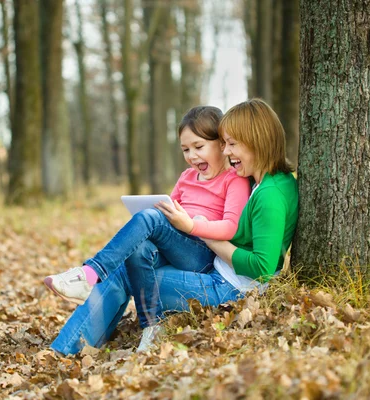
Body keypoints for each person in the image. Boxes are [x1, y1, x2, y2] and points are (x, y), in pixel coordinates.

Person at [50, 99, 298, 355]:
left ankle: (82, 317)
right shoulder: (261, 181)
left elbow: (263, 268)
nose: (226, 152)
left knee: (129, 272)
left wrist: (202, 232)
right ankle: (72, 344)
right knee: (134, 258)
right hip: (218, 272)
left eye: (232, 144)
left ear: (257, 141)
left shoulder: (269, 194)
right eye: (225, 144)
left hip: (229, 287)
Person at [44, 106, 251, 311]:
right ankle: (151, 325)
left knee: (151, 218)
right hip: (176, 245)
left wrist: (190, 226)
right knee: (139, 251)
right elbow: (169, 210)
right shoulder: (186, 177)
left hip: (202, 253)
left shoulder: (234, 180)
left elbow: (231, 227)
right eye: (186, 149)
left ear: (222, 145)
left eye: (199, 147)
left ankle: (89, 274)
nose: (192, 156)